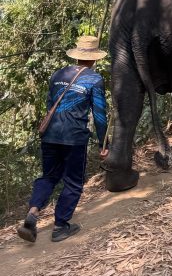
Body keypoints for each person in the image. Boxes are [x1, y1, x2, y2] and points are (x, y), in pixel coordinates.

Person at [17, 35, 108, 244]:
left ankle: (33, 211)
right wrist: (104, 143)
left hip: (50, 135)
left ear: (77, 55)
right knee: (73, 182)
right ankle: (60, 226)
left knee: (48, 176)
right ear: (95, 58)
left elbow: (51, 104)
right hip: (74, 138)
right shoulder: (94, 79)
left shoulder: (58, 74)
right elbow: (100, 115)